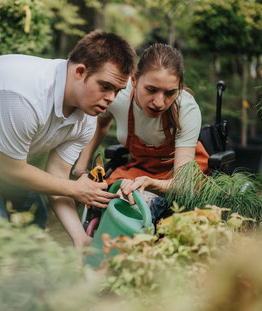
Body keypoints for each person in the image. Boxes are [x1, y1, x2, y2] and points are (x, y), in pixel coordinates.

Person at [0, 30, 137, 248]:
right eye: (105, 86)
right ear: (80, 72)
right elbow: (12, 171)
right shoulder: (24, 95)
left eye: (117, 91)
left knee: (34, 217)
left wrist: (80, 237)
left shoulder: (87, 119)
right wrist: (75, 188)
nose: (110, 98)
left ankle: (23, 276)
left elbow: (58, 177)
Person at [74, 43, 209, 209]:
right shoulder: (118, 94)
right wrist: (81, 168)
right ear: (134, 80)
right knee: (112, 199)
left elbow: (182, 184)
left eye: (170, 93)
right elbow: (101, 123)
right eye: (151, 90)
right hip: (140, 170)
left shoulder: (186, 109)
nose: (159, 103)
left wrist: (151, 184)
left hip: (179, 178)